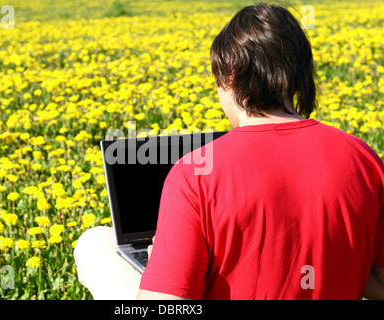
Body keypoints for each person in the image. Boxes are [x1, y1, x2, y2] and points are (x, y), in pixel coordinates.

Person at [74, 3, 384, 300]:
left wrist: (162, 262)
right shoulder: (364, 159)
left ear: (230, 76)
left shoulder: (195, 174)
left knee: (93, 243)